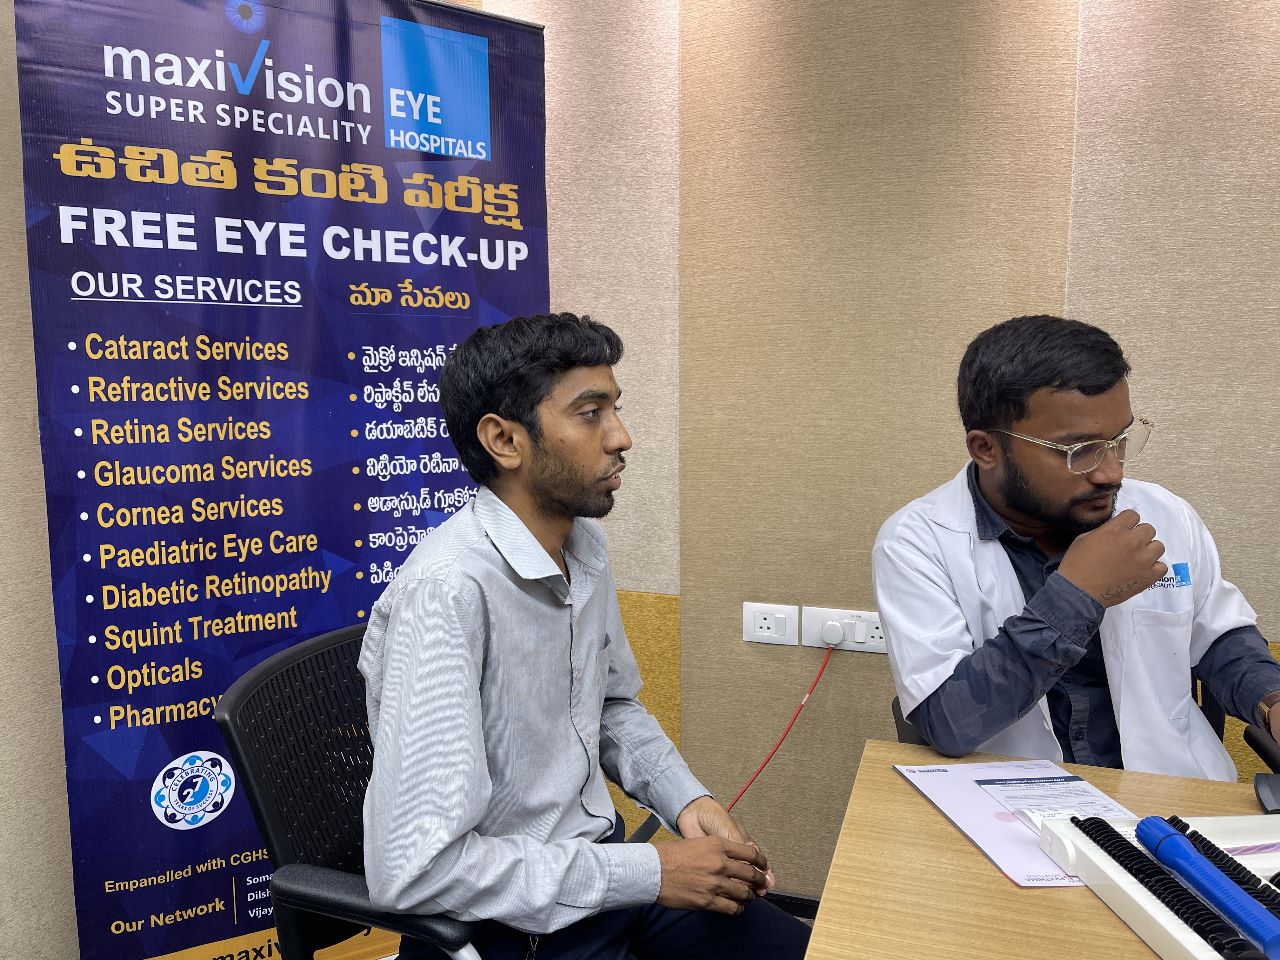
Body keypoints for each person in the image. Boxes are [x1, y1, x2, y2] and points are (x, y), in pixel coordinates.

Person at [360, 313, 810, 960]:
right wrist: (652, 871)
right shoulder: (447, 593)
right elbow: (414, 870)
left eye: (615, 409)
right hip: (507, 929)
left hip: (599, 884)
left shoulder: (582, 546)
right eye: (591, 413)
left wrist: (688, 801)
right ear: (504, 440)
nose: (621, 436)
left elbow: (609, 707)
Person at [873, 314, 1280, 781]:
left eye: (1120, 440)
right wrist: (1077, 594)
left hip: (1170, 792)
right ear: (986, 449)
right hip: (1010, 803)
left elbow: (1219, 639)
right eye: (1078, 450)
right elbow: (948, 722)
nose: (1112, 473)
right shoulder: (917, 542)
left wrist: (1272, 699)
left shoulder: (1165, 514)